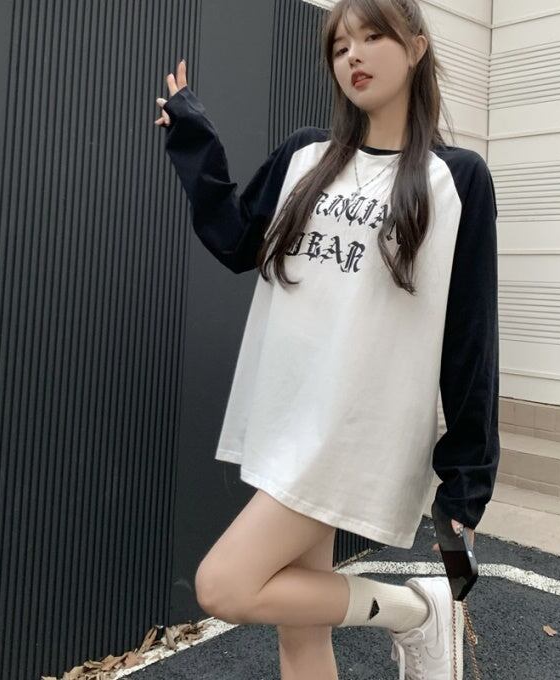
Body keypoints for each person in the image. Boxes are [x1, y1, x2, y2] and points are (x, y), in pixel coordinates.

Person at [154, 0, 499, 677]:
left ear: (417, 48)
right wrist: (194, 144)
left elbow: (470, 339)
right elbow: (236, 239)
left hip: (352, 431)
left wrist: (466, 482)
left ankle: (415, 613)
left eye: (372, 37)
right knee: (301, 635)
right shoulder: (306, 156)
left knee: (224, 585)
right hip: (287, 415)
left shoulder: (455, 179)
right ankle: (418, 615)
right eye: (340, 46)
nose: (353, 56)